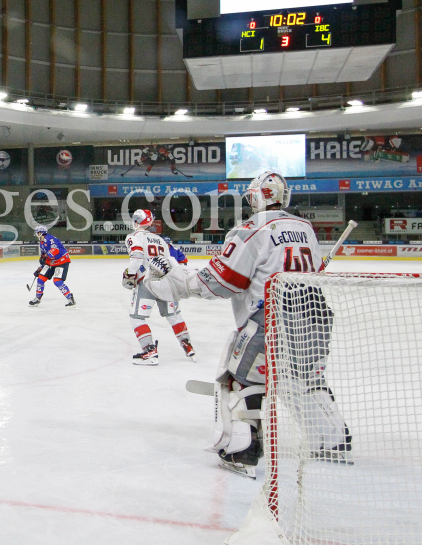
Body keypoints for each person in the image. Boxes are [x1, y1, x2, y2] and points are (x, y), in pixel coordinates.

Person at [142, 171, 345, 477]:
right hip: (316, 316)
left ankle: (242, 449)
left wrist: (179, 282)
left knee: (241, 380)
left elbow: (220, 283)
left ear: (255, 197)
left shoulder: (252, 229)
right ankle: (331, 439)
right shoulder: (304, 227)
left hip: (271, 320)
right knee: (305, 381)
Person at [122, 209, 194, 365]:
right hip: (166, 282)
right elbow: (171, 262)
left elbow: (137, 255)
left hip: (147, 282)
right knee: (173, 315)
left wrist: (130, 275)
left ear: (136, 221)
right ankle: (187, 344)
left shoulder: (133, 236)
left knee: (137, 317)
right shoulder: (161, 240)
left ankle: (149, 351)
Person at [30, 225, 75, 307]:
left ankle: (70, 298)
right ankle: (37, 298)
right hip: (51, 262)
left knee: (57, 281)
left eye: (37, 232)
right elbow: (44, 256)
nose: (36, 234)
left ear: (41, 233)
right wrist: (41, 267)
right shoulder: (41, 242)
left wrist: (46, 256)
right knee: (40, 278)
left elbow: (55, 250)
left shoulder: (50, 239)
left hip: (61, 261)